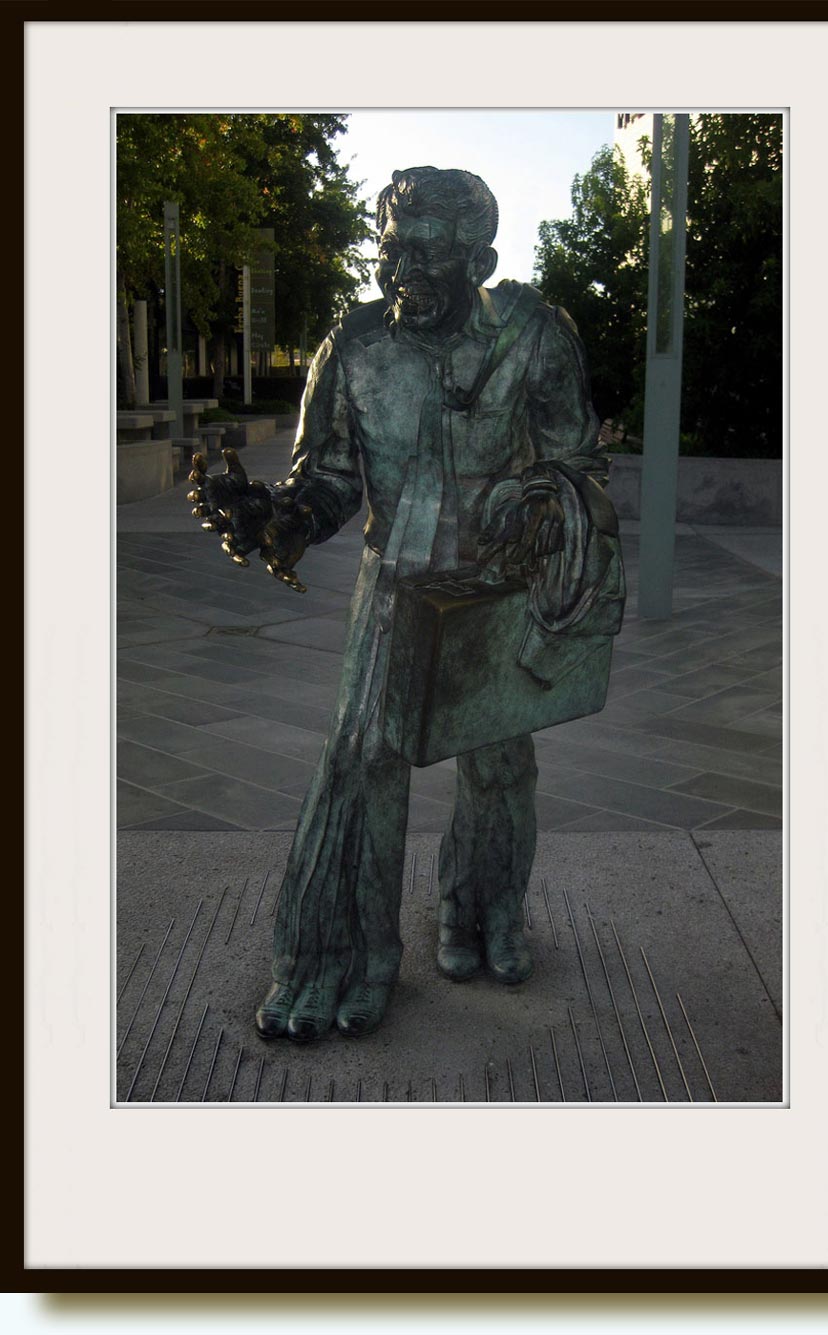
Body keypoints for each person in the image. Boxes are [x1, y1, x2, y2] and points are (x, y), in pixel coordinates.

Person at [188, 166, 614, 1043]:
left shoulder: (535, 337)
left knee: (498, 761)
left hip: (496, 587)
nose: (403, 269)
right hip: (392, 587)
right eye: (392, 248)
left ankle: (482, 911)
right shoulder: (351, 346)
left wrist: (537, 496)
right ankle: (346, 956)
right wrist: (282, 519)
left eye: (428, 252)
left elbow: (580, 461)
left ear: (479, 258)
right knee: (364, 763)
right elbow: (330, 477)